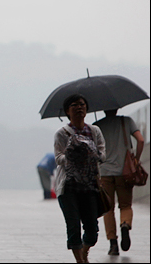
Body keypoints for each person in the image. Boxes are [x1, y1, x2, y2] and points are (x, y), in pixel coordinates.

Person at [54, 94, 106, 263]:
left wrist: (91, 153)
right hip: (68, 187)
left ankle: (84, 251)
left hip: (90, 186)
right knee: (73, 226)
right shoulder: (62, 133)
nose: (79, 108)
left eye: (82, 104)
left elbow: (102, 154)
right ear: (68, 111)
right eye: (74, 105)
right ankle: (80, 261)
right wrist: (71, 154)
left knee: (92, 229)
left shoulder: (94, 131)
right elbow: (58, 158)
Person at [93, 109, 145, 256]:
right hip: (125, 171)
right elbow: (140, 140)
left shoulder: (97, 126)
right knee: (125, 205)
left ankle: (113, 244)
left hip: (104, 173)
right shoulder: (126, 121)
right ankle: (125, 224)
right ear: (117, 108)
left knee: (108, 209)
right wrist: (136, 158)